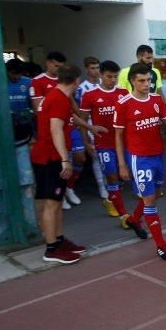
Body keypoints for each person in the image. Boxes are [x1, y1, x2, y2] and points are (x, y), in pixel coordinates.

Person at [114, 63, 166, 260]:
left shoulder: (157, 100)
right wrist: (122, 165)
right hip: (139, 158)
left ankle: (134, 219)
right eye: (142, 81)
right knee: (149, 199)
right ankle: (161, 245)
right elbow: (118, 136)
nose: (146, 84)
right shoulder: (123, 103)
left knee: (156, 193)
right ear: (132, 81)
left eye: (149, 80)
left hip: (158, 155)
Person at [30, 65, 90, 264]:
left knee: (56, 203)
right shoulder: (57, 99)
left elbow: (70, 117)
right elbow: (56, 129)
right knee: (51, 203)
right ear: (76, 81)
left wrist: (90, 126)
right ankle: (51, 249)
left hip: (52, 157)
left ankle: (59, 240)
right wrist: (65, 159)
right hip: (49, 158)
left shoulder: (59, 96)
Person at [78, 61, 134, 230]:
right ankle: (124, 215)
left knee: (123, 176)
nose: (113, 80)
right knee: (111, 176)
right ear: (101, 75)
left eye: (115, 77)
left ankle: (110, 199)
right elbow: (81, 120)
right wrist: (86, 142)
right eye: (109, 77)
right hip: (103, 144)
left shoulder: (123, 93)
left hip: (123, 143)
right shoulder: (90, 95)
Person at [75, 56, 113, 212]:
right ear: (86, 69)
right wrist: (86, 133)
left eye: (97, 67)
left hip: (108, 128)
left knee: (109, 158)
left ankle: (110, 186)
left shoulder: (105, 85)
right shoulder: (81, 88)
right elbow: (79, 113)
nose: (95, 71)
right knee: (96, 158)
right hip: (91, 126)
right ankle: (101, 187)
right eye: (92, 68)